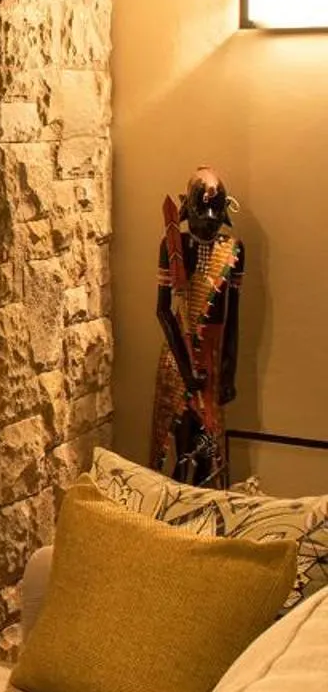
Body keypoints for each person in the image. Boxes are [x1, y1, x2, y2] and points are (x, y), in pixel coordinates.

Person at [152, 167, 243, 487]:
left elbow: (232, 317)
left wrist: (229, 370)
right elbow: (164, 311)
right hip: (180, 354)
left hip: (213, 357)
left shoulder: (233, 250)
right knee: (181, 442)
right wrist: (186, 369)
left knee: (210, 447)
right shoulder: (173, 245)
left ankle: (207, 514)